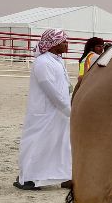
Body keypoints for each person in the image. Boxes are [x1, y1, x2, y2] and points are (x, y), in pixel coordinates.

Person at [14, 29, 73, 191]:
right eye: (63, 41)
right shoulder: (43, 62)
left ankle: (66, 176)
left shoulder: (58, 61)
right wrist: (67, 109)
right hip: (46, 112)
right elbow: (50, 89)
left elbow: (65, 86)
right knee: (38, 143)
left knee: (62, 144)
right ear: (53, 44)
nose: (66, 44)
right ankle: (29, 178)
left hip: (61, 112)